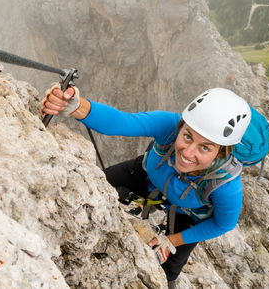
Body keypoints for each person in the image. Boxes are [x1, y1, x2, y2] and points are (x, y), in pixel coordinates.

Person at [40, 84, 251, 288]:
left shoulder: (225, 185)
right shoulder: (170, 126)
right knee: (96, 185)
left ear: (221, 152)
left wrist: (173, 240)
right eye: (187, 136)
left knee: (171, 265)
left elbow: (223, 224)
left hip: (188, 212)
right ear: (182, 127)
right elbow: (121, 122)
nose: (187, 153)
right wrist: (77, 106)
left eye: (205, 148)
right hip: (147, 176)